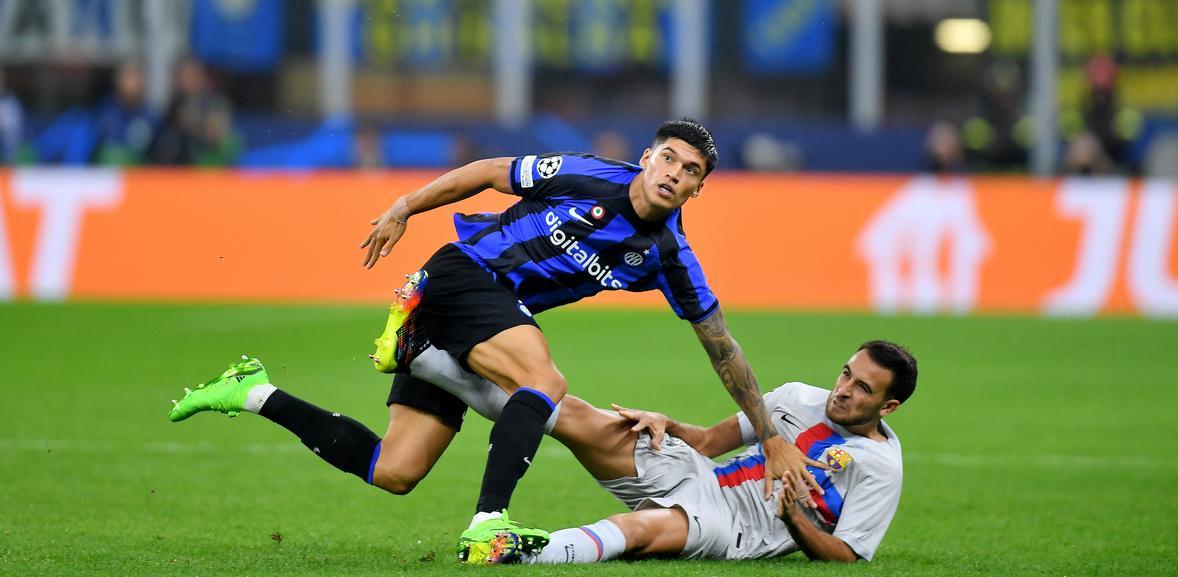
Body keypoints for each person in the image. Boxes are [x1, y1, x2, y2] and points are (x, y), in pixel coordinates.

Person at [170, 118, 821, 562]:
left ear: (700, 187)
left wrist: (767, 430)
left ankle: (254, 390)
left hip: (477, 320)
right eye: (668, 158)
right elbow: (489, 170)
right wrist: (405, 205)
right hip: (465, 275)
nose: (675, 173)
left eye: (691, 169)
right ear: (649, 158)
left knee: (394, 470)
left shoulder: (670, 257)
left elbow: (721, 344)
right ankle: (489, 523)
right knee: (544, 383)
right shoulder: (587, 173)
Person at [172, 338, 915, 565]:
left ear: (890, 405)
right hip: (702, 474)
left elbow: (845, 556)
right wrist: (669, 422)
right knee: (578, 415)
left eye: (861, 387)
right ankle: (427, 351)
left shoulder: (881, 466)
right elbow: (717, 440)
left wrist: (794, 519)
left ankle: (523, 550)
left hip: (742, 527)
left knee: (648, 533)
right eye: (846, 373)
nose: (843, 389)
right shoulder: (795, 396)